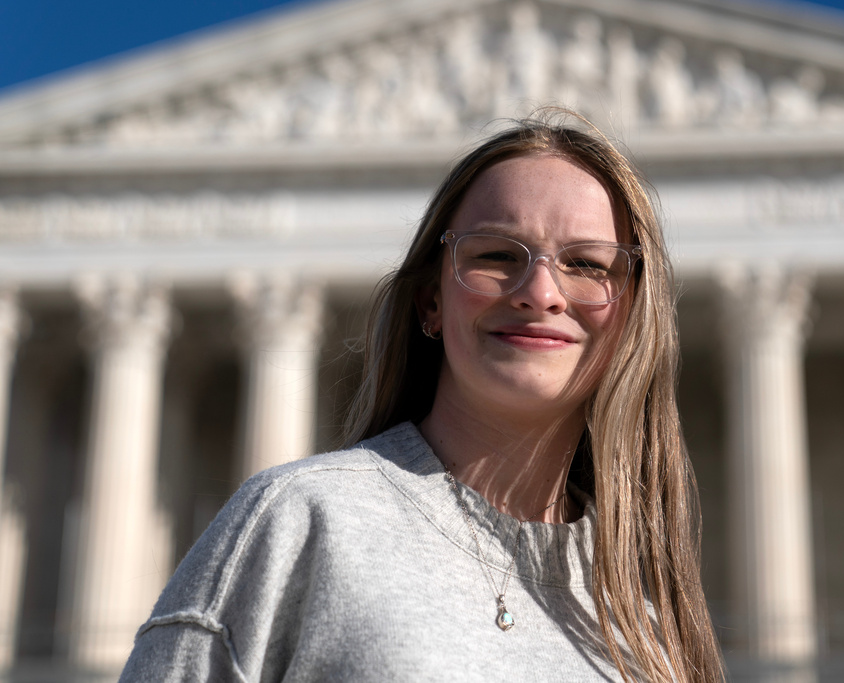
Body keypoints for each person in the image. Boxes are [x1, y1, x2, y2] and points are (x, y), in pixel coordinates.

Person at [120, 112, 724, 682]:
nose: (540, 292)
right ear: (431, 302)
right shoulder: (298, 520)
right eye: (494, 255)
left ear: (630, 320)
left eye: (588, 264)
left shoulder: (648, 617)